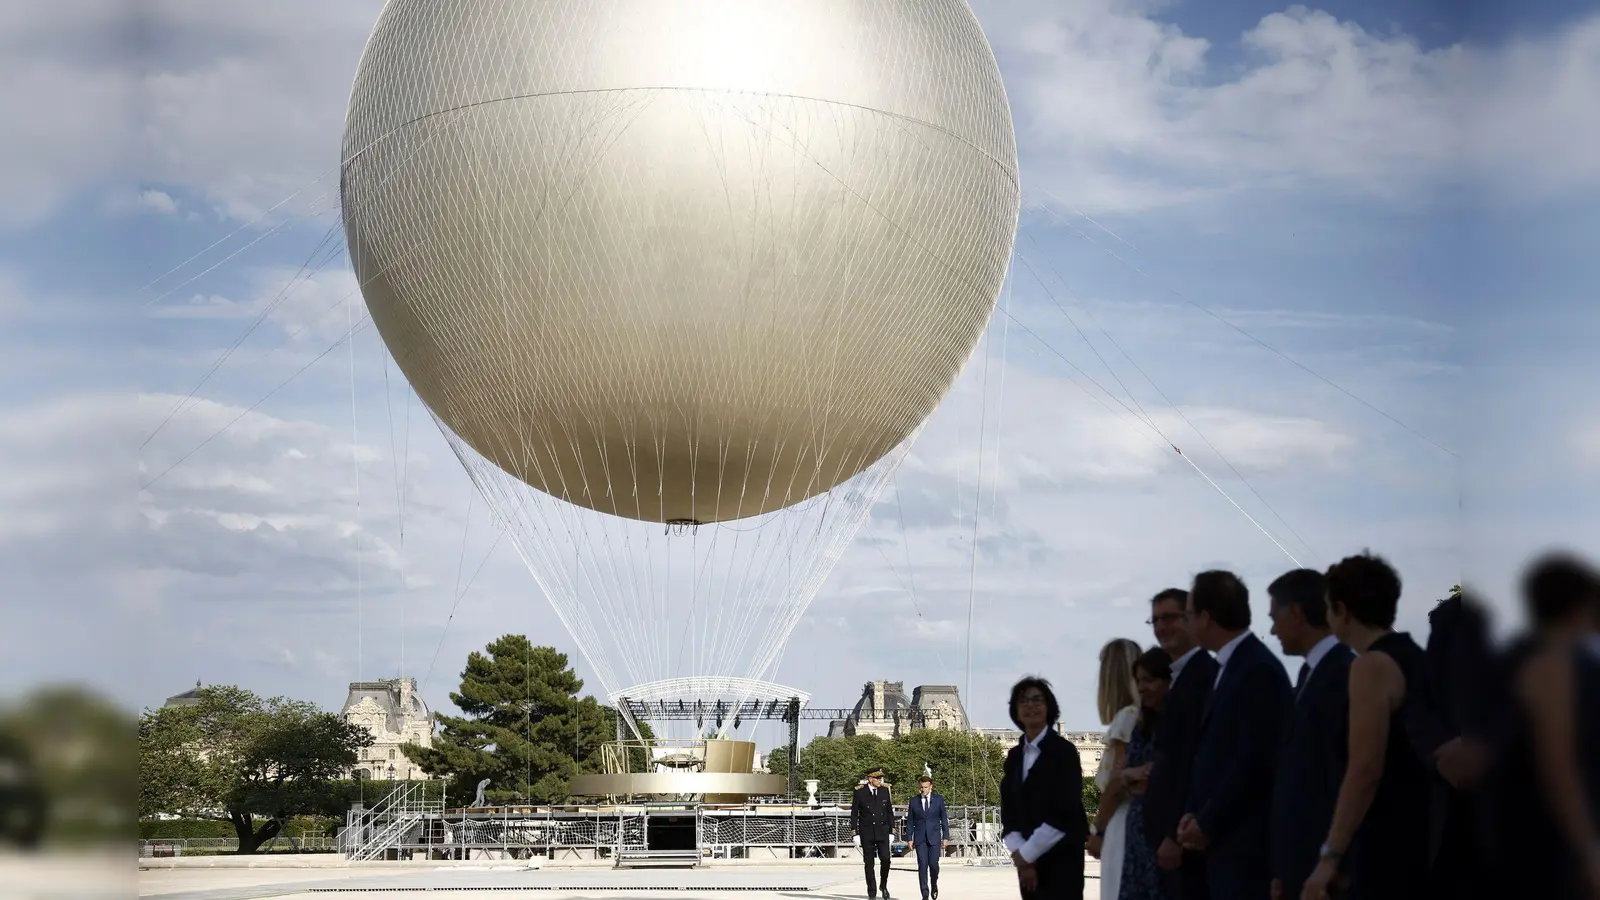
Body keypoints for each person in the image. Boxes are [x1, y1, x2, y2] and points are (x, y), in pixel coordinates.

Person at [1302, 552, 1429, 900]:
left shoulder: (1370, 666)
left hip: (1386, 842)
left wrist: (1329, 856)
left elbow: (1365, 768)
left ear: (1342, 611)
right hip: (1421, 836)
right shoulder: (1414, 656)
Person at [1177, 570, 1289, 900]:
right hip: (1224, 840)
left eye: (1187, 615)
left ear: (1205, 618)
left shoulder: (1256, 669)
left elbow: (1253, 759)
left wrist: (1206, 820)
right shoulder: (1235, 666)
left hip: (1243, 844)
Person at [1508, 552, 1600, 899]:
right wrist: (1587, 850)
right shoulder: (1555, 667)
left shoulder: (1524, 658)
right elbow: (1558, 764)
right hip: (1560, 844)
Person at [1265, 567, 1355, 900]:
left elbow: (1343, 772)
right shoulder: (1310, 674)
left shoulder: (1342, 674)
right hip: (1300, 866)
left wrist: (1336, 863)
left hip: (1325, 870)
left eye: (1275, 617)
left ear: (1297, 614)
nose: (1272, 629)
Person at [1142, 587, 1217, 900]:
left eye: (1170, 617)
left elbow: (1197, 762)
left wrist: (1174, 833)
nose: (1161, 627)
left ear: (1194, 619)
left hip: (1187, 841)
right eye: (1155, 620)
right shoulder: (1183, 678)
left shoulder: (1204, 677)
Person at [1000, 676, 1089, 899]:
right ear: (1016, 710)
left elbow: (1065, 811)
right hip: (1027, 862)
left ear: (1049, 707)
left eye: (1037, 699)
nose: (1030, 705)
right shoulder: (1014, 756)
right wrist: (1021, 855)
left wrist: (1026, 855)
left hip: (1062, 857)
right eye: (1023, 701)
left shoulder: (1064, 752)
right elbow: (1008, 810)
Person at [1087, 638, 1143, 900]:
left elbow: (1119, 782)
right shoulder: (1140, 715)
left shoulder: (1126, 718)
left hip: (1121, 824)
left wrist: (1097, 828)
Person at [1118, 647, 1174, 900]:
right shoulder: (1142, 725)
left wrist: (1135, 776)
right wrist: (1133, 776)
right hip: (1138, 832)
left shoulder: (1176, 722)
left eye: (1149, 680)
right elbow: (1125, 776)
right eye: (1139, 681)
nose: (1141, 687)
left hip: (1163, 831)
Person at [852, 768, 895, 899]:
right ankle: (872, 892)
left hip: (882, 831)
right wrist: (855, 833)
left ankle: (883, 884)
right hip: (867, 832)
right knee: (869, 863)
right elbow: (854, 813)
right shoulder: (860, 792)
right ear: (870, 779)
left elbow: (889, 812)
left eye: (880, 778)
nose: (879, 781)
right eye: (877, 778)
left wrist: (891, 831)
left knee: (886, 859)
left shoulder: (884, 791)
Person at [907, 775, 950, 900]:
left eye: (926, 787)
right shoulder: (914, 801)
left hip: (934, 838)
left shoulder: (938, 800)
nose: (923, 790)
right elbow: (910, 821)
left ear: (931, 786)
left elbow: (944, 820)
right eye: (921, 787)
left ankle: (934, 884)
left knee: (933, 865)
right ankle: (925, 894)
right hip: (920, 839)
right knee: (922, 865)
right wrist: (909, 838)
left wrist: (945, 837)